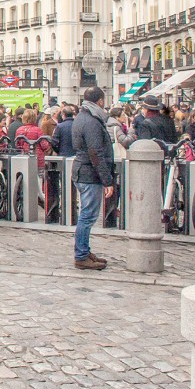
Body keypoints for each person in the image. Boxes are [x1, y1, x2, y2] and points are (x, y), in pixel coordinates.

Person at [71, 87, 114, 271]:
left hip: (82, 170)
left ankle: (84, 251)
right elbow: (96, 152)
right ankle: (81, 255)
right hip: (89, 174)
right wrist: (107, 180)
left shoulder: (82, 117)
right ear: (100, 101)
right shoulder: (92, 121)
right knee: (87, 216)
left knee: (86, 215)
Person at [14, 108, 47, 176]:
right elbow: (44, 145)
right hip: (38, 158)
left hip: (24, 157)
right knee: (39, 177)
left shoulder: (19, 130)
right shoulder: (37, 130)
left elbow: (18, 145)